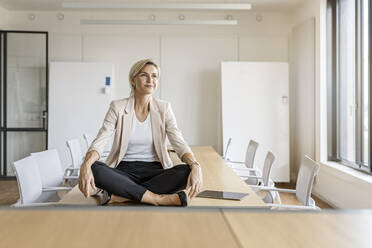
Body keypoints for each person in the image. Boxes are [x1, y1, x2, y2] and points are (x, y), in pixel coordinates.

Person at [78, 58, 203, 206]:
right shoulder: (117, 107)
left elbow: (179, 142)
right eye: (144, 75)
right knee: (95, 168)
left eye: (154, 76)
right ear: (133, 79)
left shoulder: (164, 108)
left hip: (155, 171)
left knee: (187, 171)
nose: (150, 79)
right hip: (123, 171)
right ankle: (157, 198)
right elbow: (101, 139)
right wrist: (86, 165)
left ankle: (123, 195)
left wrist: (195, 166)